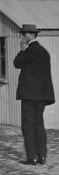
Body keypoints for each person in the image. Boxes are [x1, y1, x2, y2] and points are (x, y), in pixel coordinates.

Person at [14, 24, 55, 165]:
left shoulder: (29, 51)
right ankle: (42, 156)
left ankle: (32, 157)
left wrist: (21, 50)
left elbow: (17, 63)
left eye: (23, 34)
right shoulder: (44, 51)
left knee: (28, 125)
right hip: (41, 96)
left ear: (29, 35)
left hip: (29, 96)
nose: (22, 37)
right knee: (39, 125)